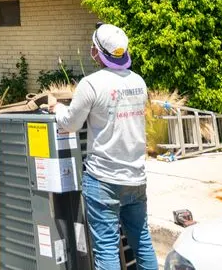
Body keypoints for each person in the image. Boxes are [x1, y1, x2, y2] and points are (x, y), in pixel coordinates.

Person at [47, 23, 157, 270]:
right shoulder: (138, 82)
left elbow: (71, 123)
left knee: (106, 248)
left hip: (104, 179)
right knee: (142, 241)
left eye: (93, 47)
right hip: (135, 178)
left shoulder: (91, 84)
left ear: (97, 52)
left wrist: (58, 108)